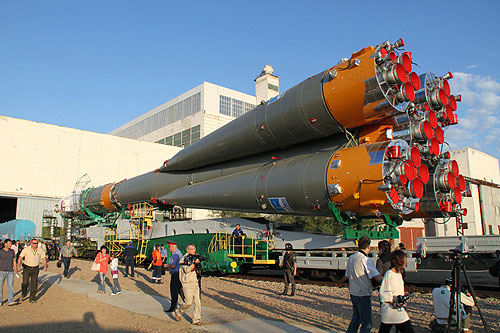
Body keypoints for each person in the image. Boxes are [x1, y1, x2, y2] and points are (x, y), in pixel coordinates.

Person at [345, 236, 382, 333]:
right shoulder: (365, 259)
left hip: (353, 292)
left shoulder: (351, 258)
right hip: (363, 294)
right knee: (367, 323)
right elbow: (376, 276)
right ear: (368, 247)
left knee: (356, 319)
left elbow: (347, 275)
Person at [379, 250, 414, 332]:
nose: (406, 262)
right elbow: (384, 293)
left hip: (398, 309)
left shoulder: (398, 274)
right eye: (404, 260)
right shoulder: (389, 274)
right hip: (391, 310)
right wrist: (395, 300)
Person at [173, 243, 202, 325]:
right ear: (187, 250)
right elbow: (187, 270)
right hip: (187, 283)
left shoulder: (194, 257)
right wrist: (193, 264)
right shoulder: (183, 259)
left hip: (195, 281)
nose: (193, 250)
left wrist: (198, 264)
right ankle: (178, 311)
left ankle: (196, 319)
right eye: (192, 249)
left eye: (194, 248)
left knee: (197, 301)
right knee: (188, 302)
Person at [17, 238, 47, 303]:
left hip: (35, 269)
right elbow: (20, 257)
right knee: (25, 283)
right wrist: (18, 266)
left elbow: (43, 258)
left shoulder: (40, 250)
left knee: (34, 284)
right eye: (34, 243)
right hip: (26, 268)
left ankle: (32, 298)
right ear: (31, 243)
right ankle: (23, 293)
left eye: (36, 243)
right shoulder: (26, 249)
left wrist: (45, 266)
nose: (35, 245)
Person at [164, 240, 183, 312]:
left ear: (172, 247)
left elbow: (173, 265)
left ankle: (173, 307)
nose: (168, 249)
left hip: (175, 274)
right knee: (179, 290)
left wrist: (166, 266)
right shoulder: (178, 252)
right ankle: (185, 302)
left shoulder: (175, 254)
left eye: (169, 247)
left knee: (174, 291)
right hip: (178, 274)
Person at [0, 239, 18, 306]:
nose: (10, 245)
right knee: (0, 287)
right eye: (9, 243)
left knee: (10, 286)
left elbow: (14, 260)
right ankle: (0, 300)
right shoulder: (1, 251)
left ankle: (10, 300)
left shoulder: (12, 251)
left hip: (10, 271)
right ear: (5, 244)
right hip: (1, 271)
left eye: (11, 243)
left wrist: (15, 269)